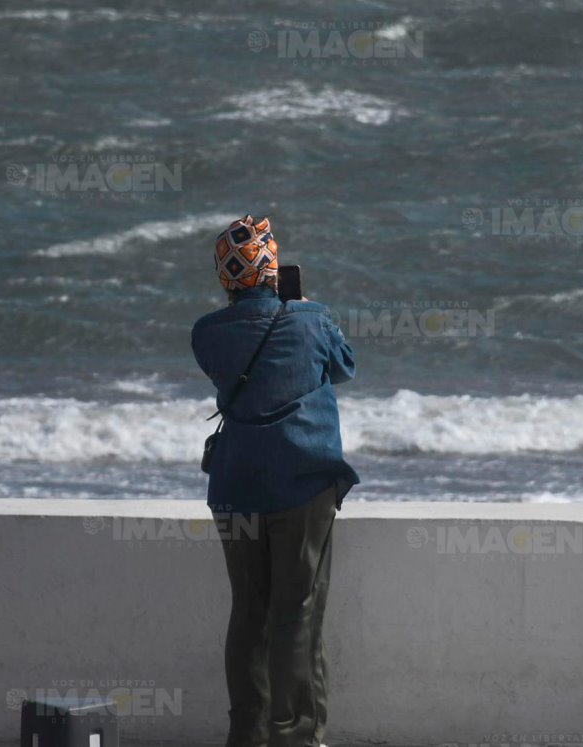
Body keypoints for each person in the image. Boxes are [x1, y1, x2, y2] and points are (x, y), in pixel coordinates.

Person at [191, 215, 359, 747]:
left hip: (236, 488)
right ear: (274, 267)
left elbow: (239, 368)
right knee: (297, 612)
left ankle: (248, 733)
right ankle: (298, 737)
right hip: (303, 484)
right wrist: (303, 304)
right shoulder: (311, 318)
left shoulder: (207, 334)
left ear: (225, 278)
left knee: (248, 611)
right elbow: (344, 366)